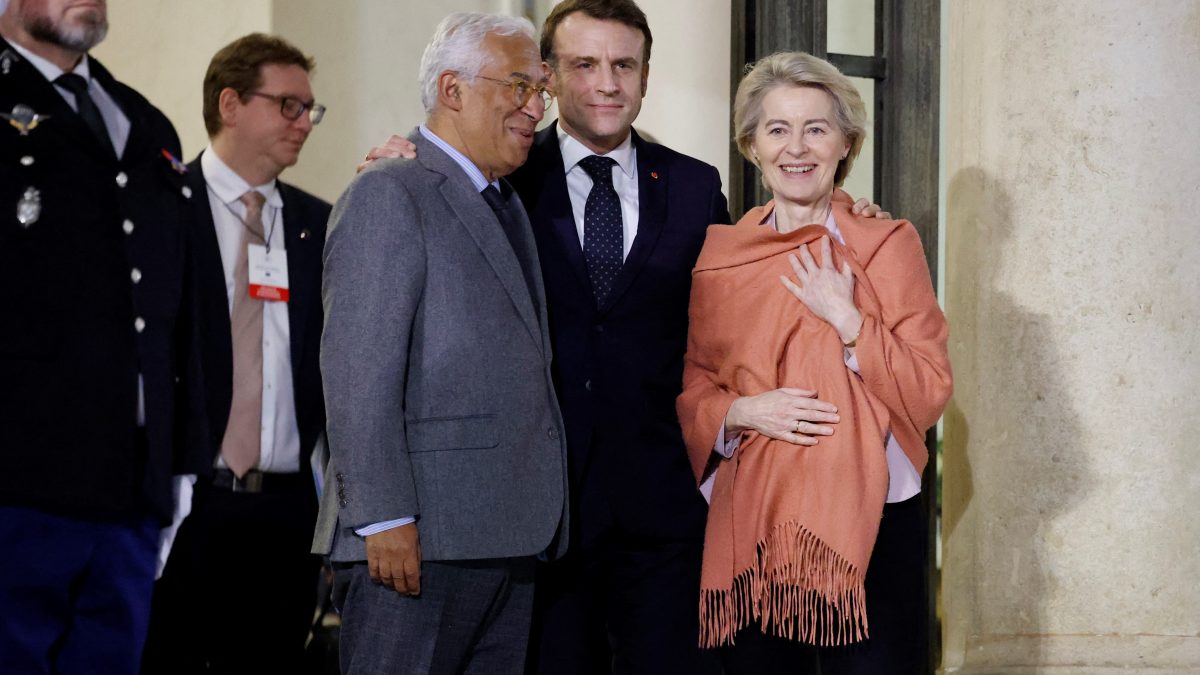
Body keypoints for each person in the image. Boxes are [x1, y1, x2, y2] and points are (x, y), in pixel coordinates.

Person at [359, 3, 889, 672]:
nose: (607, 83)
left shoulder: (695, 185)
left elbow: (753, 281)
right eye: (585, 64)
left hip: (666, 510)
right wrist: (403, 163)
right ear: (550, 77)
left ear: (645, 76)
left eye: (624, 65)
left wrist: (845, 213)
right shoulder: (505, 173)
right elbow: (428, 206)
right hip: (538, 514)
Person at [676, 51, 953, 674]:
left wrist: (849, 321)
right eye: (778, 129)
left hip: (875, 519)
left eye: (816, 129)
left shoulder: (887, 243)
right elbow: (696, 385)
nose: (796, 148)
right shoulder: (722, 258)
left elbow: (930, 387)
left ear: (845, 143)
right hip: (758, 519)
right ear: (752, 145)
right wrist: (742, 411)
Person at [314, 12, 569, 674]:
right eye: (519, 86)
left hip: (501, 539)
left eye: (541, 90)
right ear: (453, 89)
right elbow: (358, 372)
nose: (535, 107)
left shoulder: (505, 202)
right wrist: (382, 517)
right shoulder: (388, 190)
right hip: (414, 544)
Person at [0, 0, 208, 673]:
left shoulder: (142, 121)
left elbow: (176, 301)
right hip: (18, 478)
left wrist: (180, 460)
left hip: (129, 485)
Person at [139, 33, 331, 675]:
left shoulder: (318, 224)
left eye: (310, 109)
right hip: (190, 502)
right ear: (230, 104)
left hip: (285, 512)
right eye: (288, 106)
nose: (304, 123)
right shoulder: (166, 207)